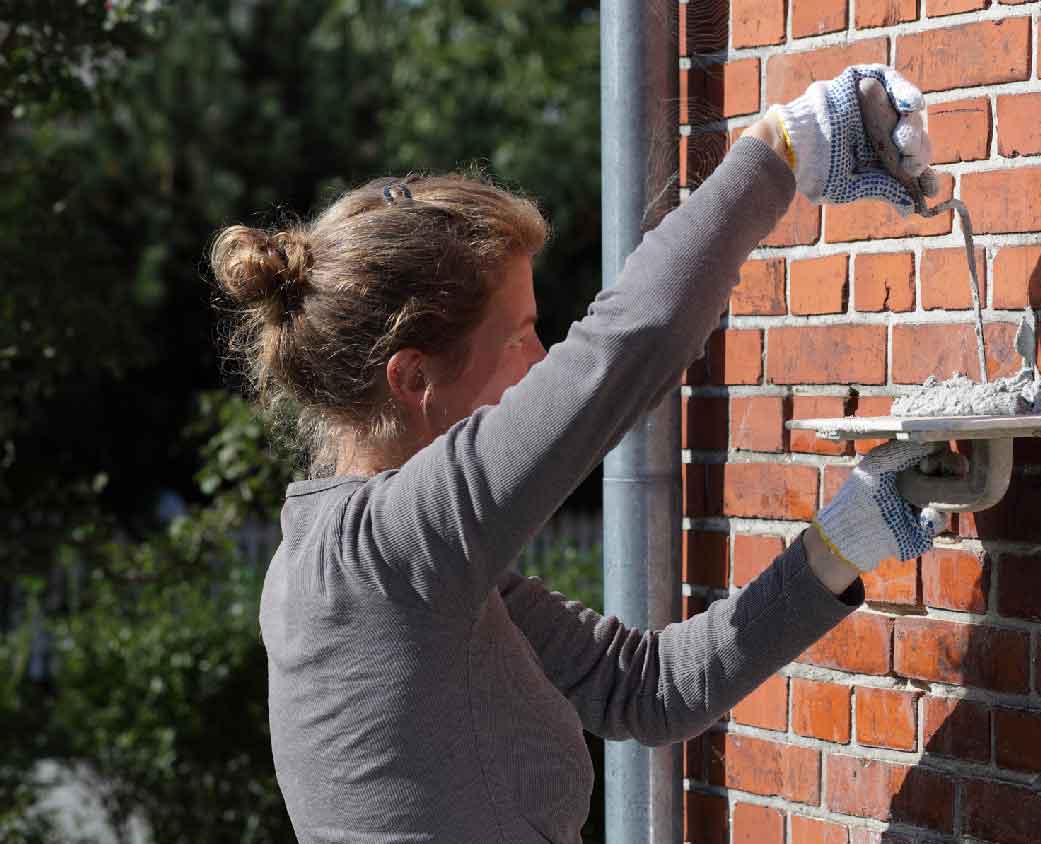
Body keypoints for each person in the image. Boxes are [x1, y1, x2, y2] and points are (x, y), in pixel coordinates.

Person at [211, 65, 940, 843]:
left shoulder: (380, 568)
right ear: (415, 377)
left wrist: (847, 537)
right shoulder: (396, 547)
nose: (542, 358)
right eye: (519, 335)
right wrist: (789, 144)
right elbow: (627, 347)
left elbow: (650, 691)